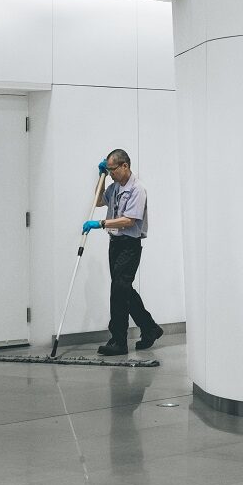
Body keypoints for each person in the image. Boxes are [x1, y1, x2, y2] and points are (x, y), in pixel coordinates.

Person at [82, 149, 163, 355]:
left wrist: (100, 223)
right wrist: (99, 178)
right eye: (107, 170)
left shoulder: (138, 189)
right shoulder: (114, 186)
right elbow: (99, 201)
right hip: (115, 243)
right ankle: (150, 328)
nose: (110, 174)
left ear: (125, 166)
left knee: (119, 290)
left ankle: (118, 340)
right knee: (123, 289)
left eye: (112, 170)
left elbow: (129, 220)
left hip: (129, 244)